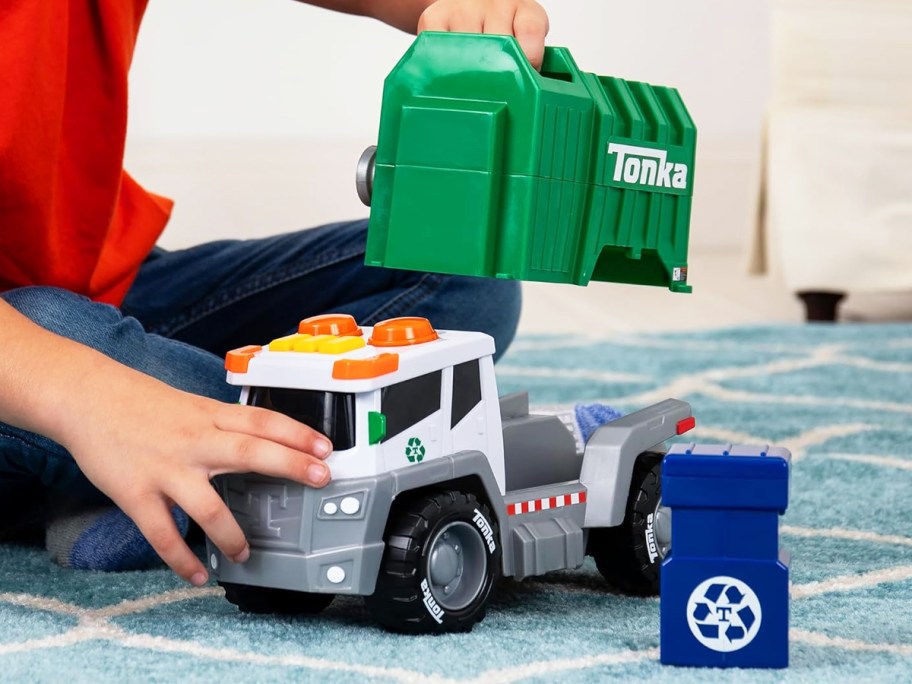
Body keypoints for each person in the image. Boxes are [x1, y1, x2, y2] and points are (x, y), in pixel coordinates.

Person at [0, 0, 547, 587]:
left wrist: (442, 7)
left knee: (456, 283)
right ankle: (122, 462)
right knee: (60, 329)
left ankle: (127, 471)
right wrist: (92, 396)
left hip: (95, 278)